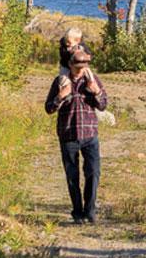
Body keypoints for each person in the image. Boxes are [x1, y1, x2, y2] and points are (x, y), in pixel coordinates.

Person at [44, 49, 109, 224]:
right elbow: (49, 108)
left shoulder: (93, 80)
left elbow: (103, 106)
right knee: (72, 177)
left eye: (84, 65)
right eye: (78, 66)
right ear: (70, 65)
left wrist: (96, 92)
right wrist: (60, 96)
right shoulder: (60, 82)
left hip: (90, 135)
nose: (81, 69)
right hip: (68, 135)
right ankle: (77, 212)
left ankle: (90, 210)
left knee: (93, 173)